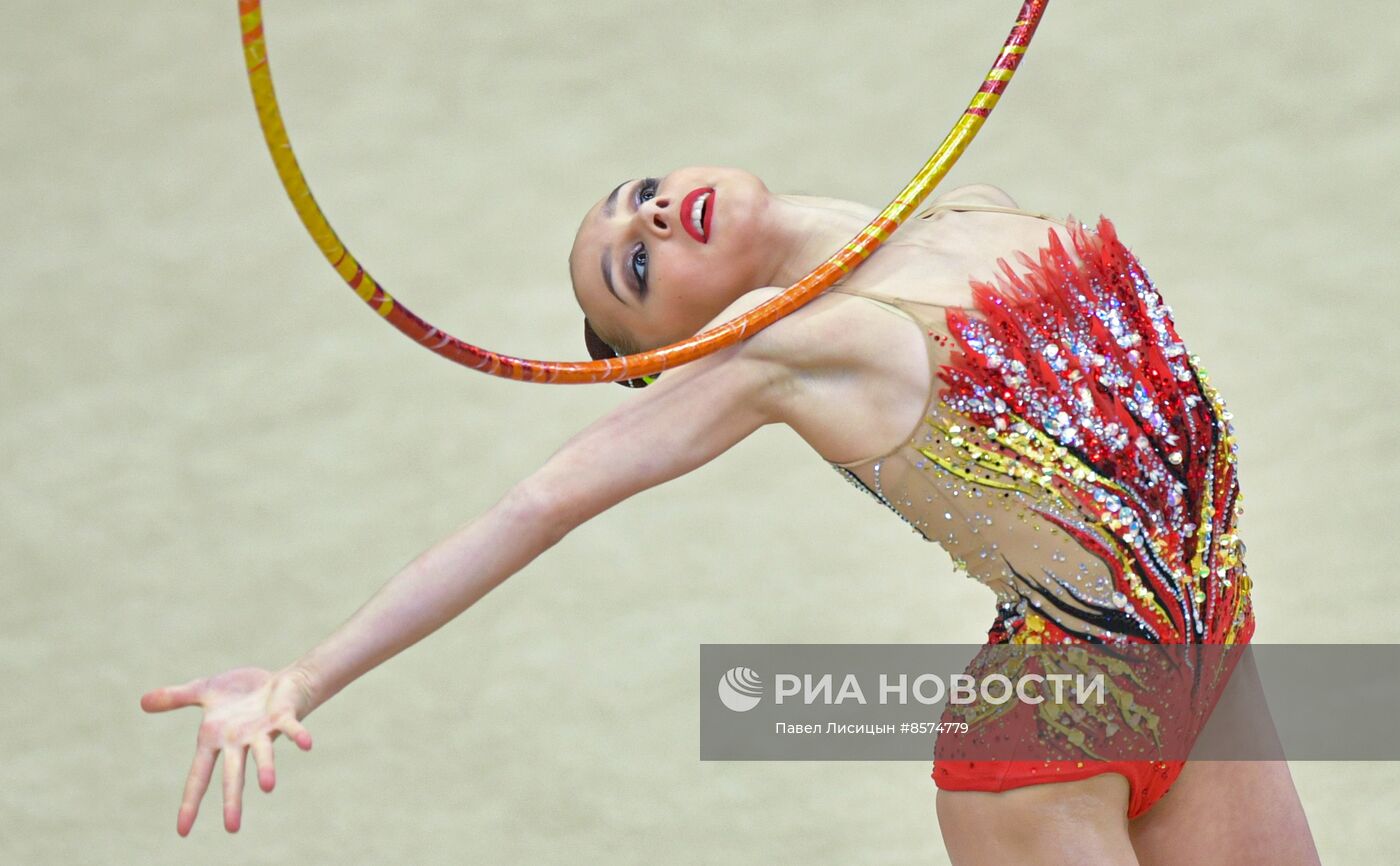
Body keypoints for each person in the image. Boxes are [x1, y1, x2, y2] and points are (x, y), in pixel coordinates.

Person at [142, 166, 1320, 863]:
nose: (648, 221)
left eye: (636, 199)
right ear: (678, 350)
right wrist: (299, 677)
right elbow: (538, 503)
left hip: (1199, 667)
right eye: (633, 275)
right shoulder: (784, 353)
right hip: (1045, 748)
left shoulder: (972, 202)